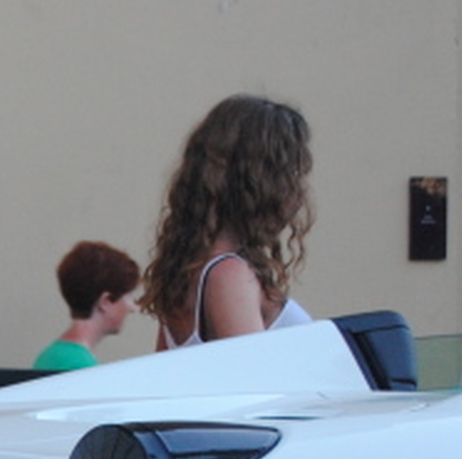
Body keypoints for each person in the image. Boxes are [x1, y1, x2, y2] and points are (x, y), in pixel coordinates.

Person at [142, 94, 315, 348]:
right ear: (263, 180)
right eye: (292, 172)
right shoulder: (229, 274)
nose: (297, 188)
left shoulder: (186, 273)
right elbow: (252, 380)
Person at [30, 240, 142, 370]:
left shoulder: (48, 356)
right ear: (105, 302)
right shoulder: (81, 368)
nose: (133, 308)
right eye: (127, 297)